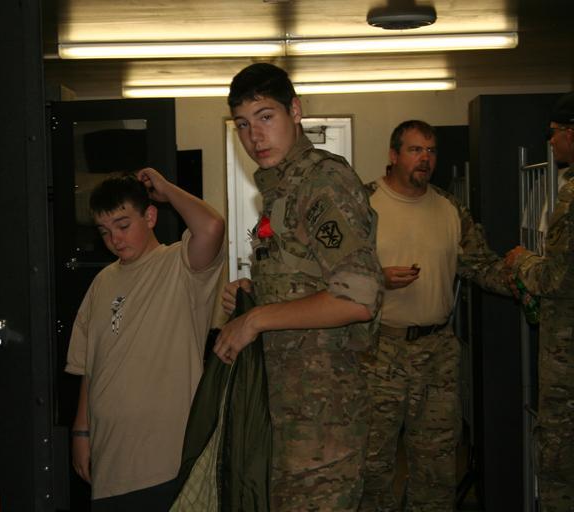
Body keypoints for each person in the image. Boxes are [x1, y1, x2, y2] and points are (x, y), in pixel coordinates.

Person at [215, 62, 384, 511]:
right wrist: (253, 292)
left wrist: (256, 319)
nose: (255, 137)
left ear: (295, 111)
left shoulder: (322, 181)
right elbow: (306, 278)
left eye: (265, 117)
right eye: (243, 124)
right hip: (289, 415)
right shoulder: (283, 187)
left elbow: (358, 297)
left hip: (323, 425)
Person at [358, 120, 510, 511]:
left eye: (431, 151)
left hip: (437, 352)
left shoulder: (450, 208)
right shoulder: (363, 204)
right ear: (393, 155)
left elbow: (481, 265)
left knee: (437, 463)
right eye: (415, 150)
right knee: (371, 463)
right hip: (379, 351)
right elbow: (335, 274)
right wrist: (378, 279)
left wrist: (527, 277)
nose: (425, 159)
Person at [65, 168, 225, 511]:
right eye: (105, 231)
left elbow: (212, 226)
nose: (115, 239)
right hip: (109, 460)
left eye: (123, 225)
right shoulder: (102, 282)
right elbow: (89, 365)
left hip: (165, 460)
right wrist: (81, 432)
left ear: (150, 217)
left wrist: (166, 189)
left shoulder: (181, 265)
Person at [504, 91, 574, 512]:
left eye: (554, 132)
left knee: (559, 464)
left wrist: (521, 260)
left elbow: (555, 279)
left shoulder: (571, 195)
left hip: (567, 359)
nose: (550, 142)